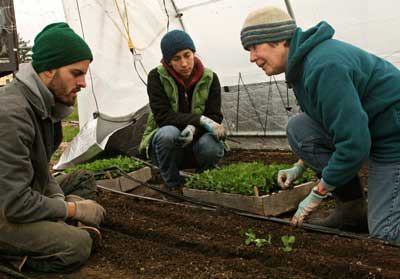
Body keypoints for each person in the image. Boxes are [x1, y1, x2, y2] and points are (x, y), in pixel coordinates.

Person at [240, 6, 400, 242]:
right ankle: (353, 211)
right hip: (373, 129)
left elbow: (354, 145)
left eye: (254, 47)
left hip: (393, 138)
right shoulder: (301, 68)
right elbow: (328, 124)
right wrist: (300, 166)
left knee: (386, 232)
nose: (252, 57)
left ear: (279, 40)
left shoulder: (323, 66)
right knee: (299, 129)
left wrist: (317, 193)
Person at [0, 23, 106, 273]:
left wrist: (58, 200)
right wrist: (72, 209)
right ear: (48, 71)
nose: (83, 83)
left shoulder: (45, 105)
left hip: (18, 194)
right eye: (76, 73)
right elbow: (15, 204)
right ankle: (11, 259)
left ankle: (57, 223)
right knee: (77, 245)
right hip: (6, 207)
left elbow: (43, 172)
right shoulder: (11, 115)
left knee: (82, 179)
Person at [139, 30, 225, 192]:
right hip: (169, 145)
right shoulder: (157, 77)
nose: (184, 63)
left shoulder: (210, 77)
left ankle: (201, 185)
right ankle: (173, 186)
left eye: (187, 55)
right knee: (167, 134)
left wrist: (194, 127)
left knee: (211, 144)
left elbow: (214, 116)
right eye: (176, 59)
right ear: (168, 61)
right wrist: (199, 119)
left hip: (197, 141)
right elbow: (163, 116)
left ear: (193, 53)